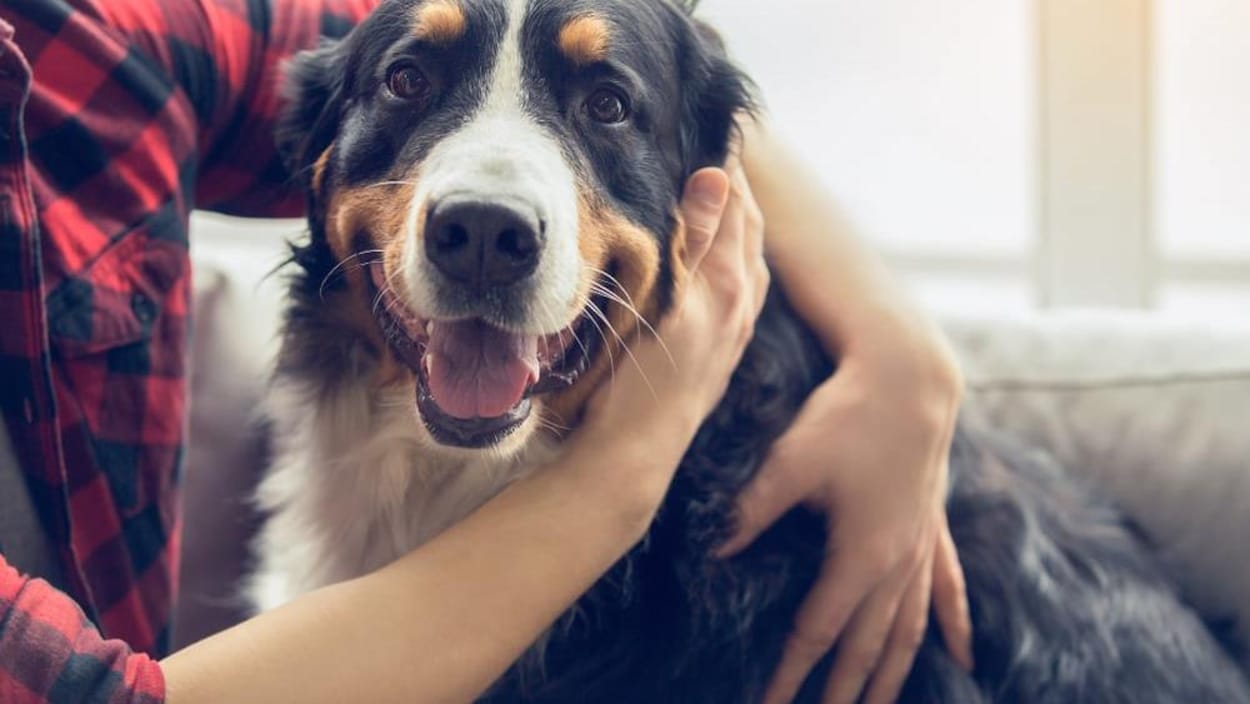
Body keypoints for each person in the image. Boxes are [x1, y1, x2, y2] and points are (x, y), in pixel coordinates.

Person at [0, 1, 970, 703]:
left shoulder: (76, 40)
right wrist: (619, 471)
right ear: (320, 170)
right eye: (411, 86)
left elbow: (534, 34)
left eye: (604, 106)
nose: (485, 212)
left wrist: (900, 351)